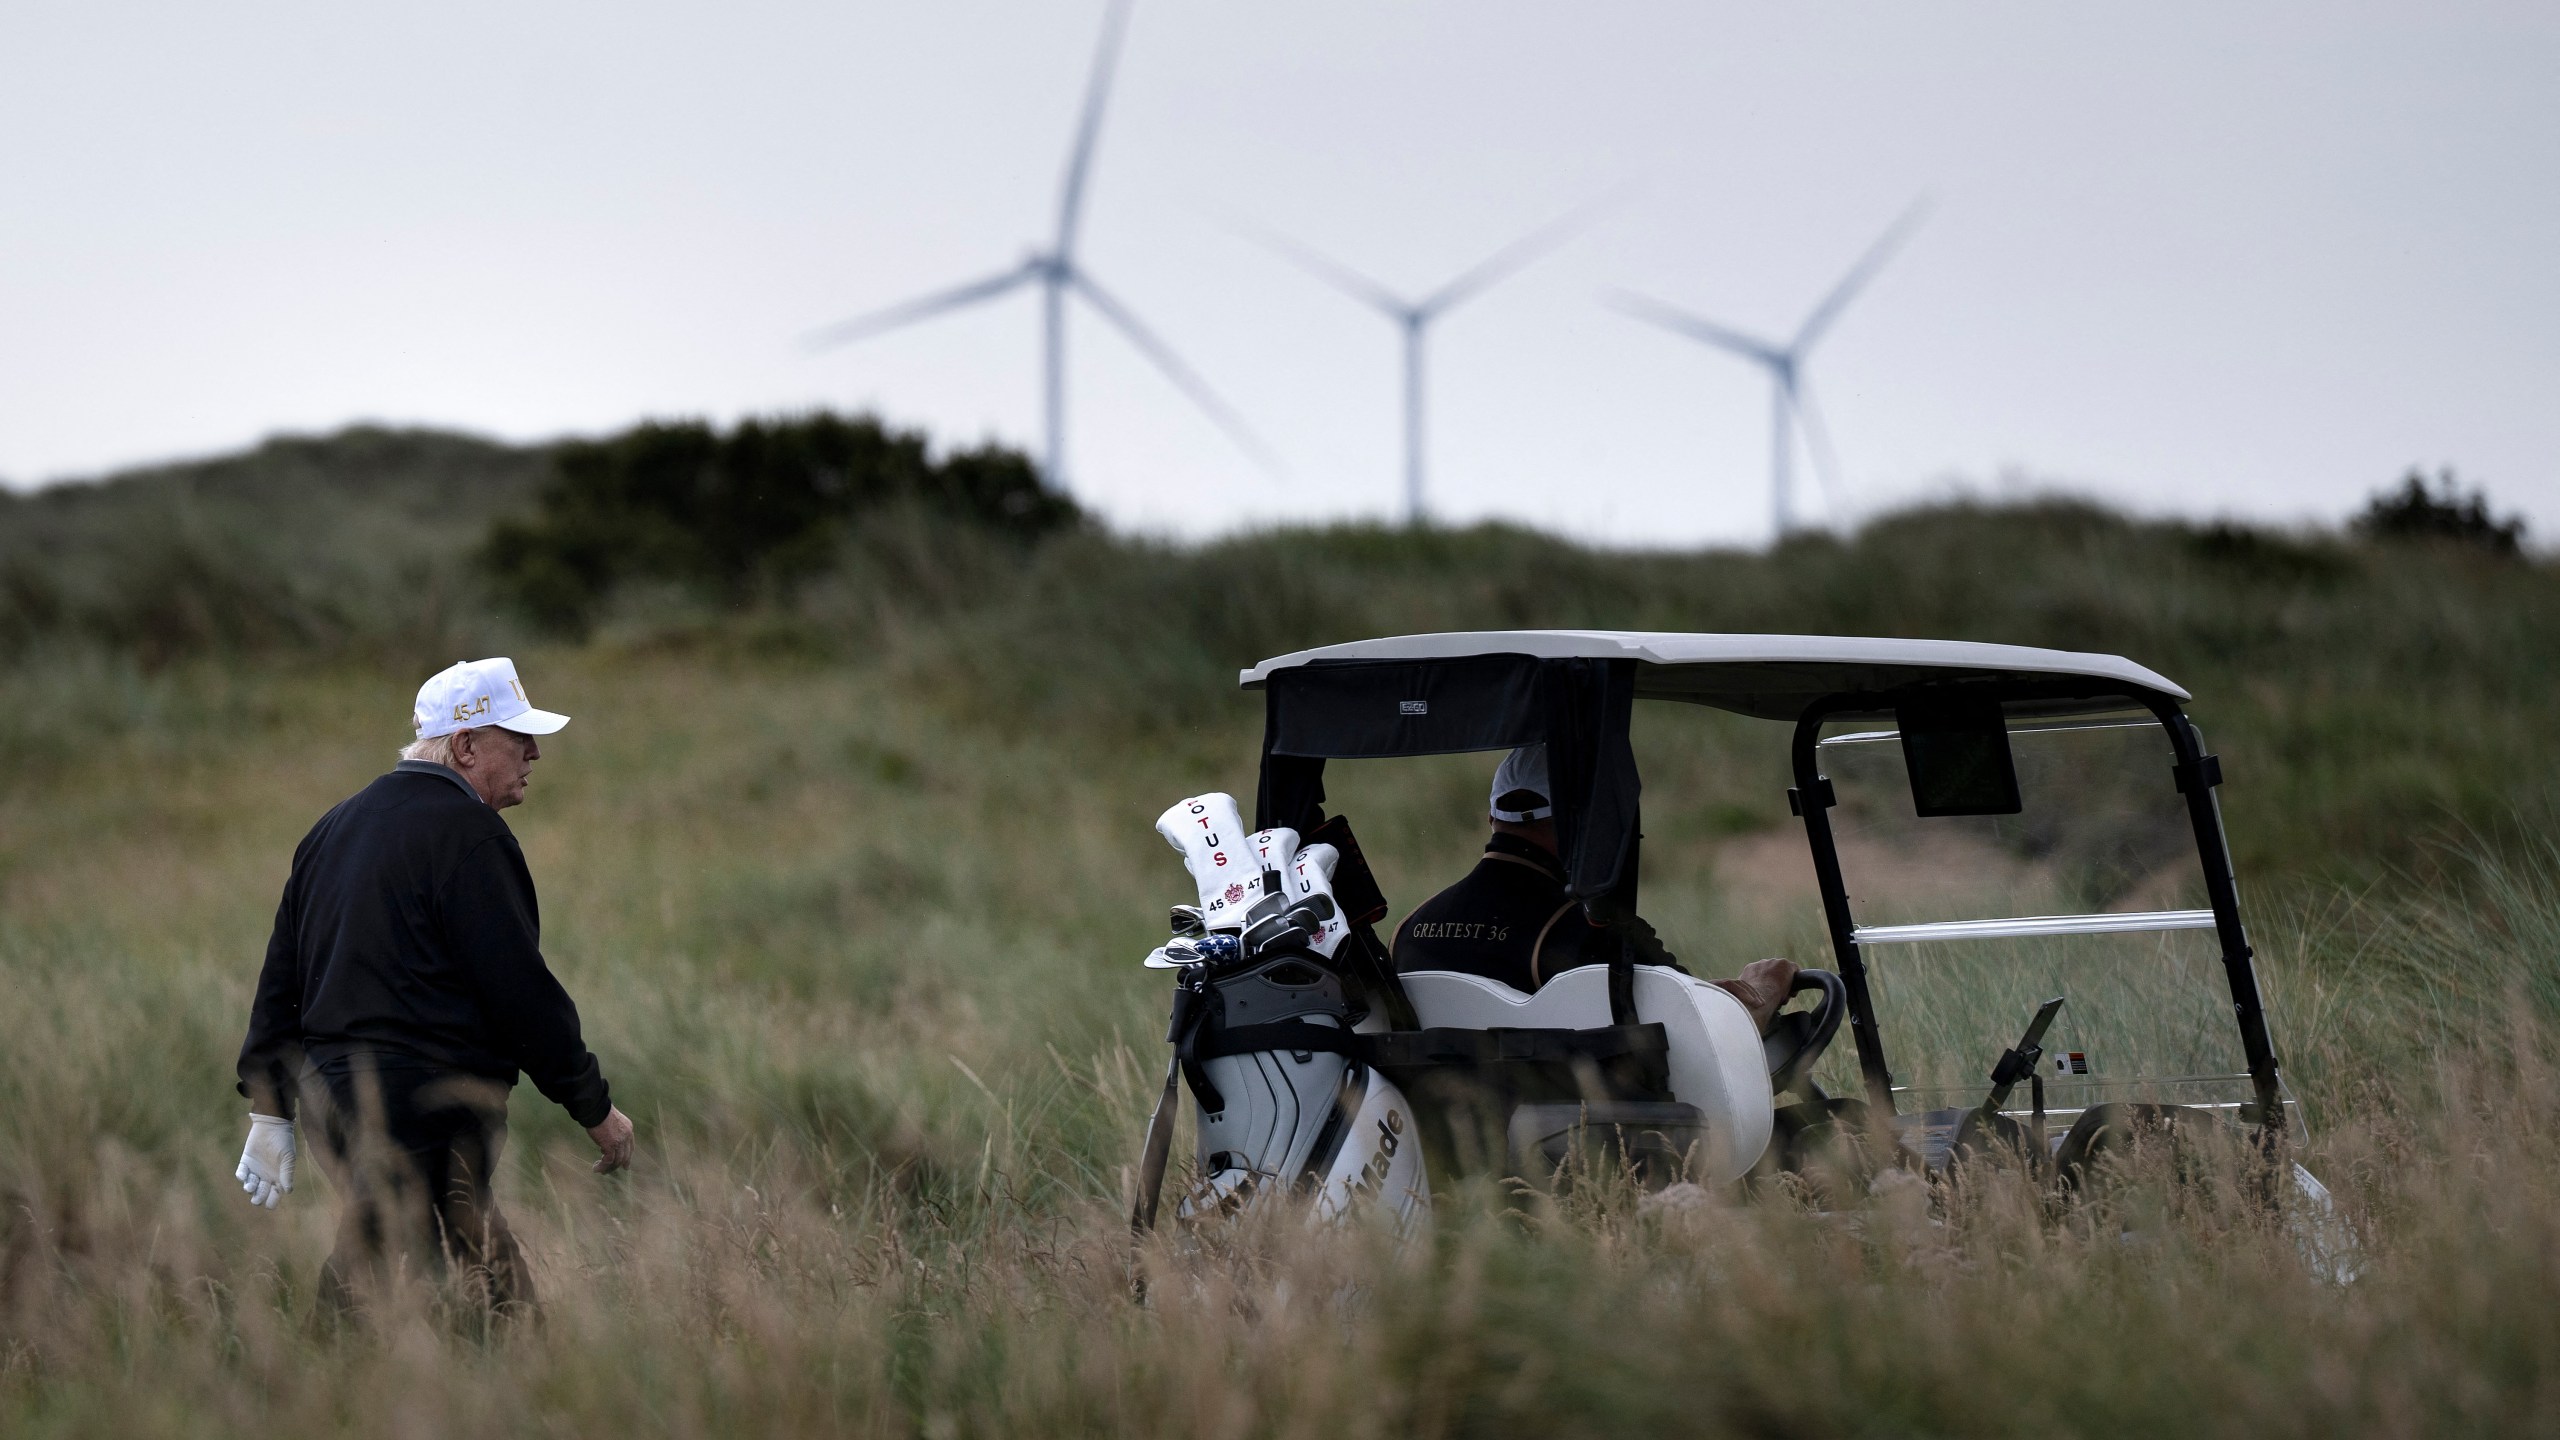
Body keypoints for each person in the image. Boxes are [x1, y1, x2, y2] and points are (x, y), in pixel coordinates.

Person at [232, 657, 634, 1317]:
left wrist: (274, 1109)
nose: (534, 752)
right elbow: (521, 995)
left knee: (455, 1274)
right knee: (410, 1275)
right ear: (466, 744)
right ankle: (301, 1384)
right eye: (517, 736)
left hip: (333, 1106)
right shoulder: (472, 835)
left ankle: (379, 1386)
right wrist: (594, 1107)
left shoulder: (331, 829)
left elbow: (282, 981)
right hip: (427, 1105)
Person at [1393, 744, 1799, 1030]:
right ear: (1583, 822)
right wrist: (1761, 988)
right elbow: (1702, 1031)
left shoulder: (1409, 929)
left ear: (1491, 818)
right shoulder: (1588, 930)